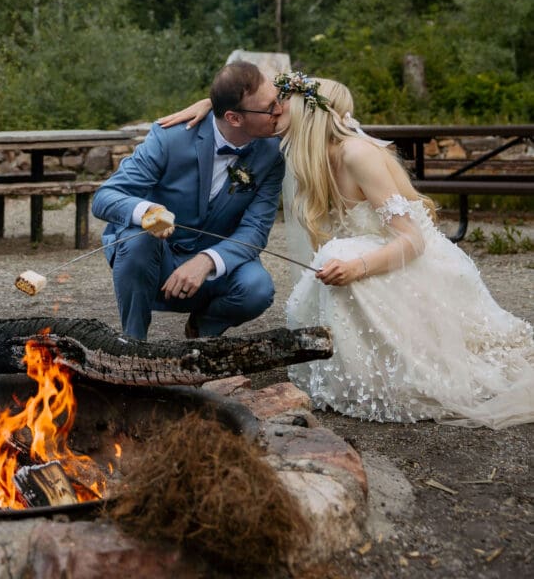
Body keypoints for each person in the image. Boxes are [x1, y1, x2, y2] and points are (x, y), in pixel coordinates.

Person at [160, 71, 534, 428]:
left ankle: (382, 369)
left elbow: (414, 240)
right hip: (373, 256)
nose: (272, 111)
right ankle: (362, 367)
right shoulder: (304, 151)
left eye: (280, 104)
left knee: (337, 254)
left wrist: (358, 266)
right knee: (334, 255)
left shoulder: (356, 154)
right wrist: (210, 104)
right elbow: (245, 106)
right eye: (271, 105)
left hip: (411, 262)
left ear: (305, 109)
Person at [91, 60, 285, 341]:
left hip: (214, 259)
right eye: (270, 107)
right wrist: (148, 210)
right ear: (233, 118)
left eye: (277, 101)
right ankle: (133, 343)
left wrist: (206, 260)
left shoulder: (272, 153)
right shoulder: (170, 137)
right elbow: (105, 198)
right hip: (158, 255)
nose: (279, 111)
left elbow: (255, 230)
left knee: (258, 289)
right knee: (137, 238)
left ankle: (202, 332)